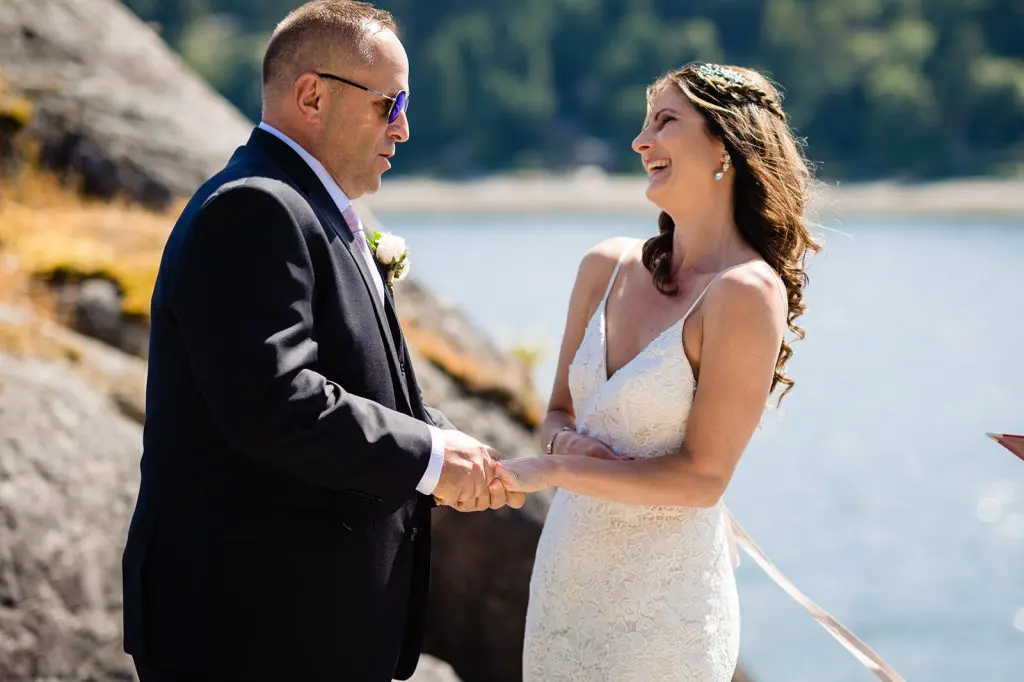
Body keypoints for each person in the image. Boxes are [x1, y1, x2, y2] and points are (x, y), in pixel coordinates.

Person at [120, 2, 523, 681]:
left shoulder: (311, 207)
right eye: (389, 104)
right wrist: (426, 456)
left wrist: (451, 443)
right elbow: (275, 403)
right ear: (312, 94)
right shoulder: (256, 208)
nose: (404, 126)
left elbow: (362, 379)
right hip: (250, 631)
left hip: (302, 626)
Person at [497, 62, 821, 680]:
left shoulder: (745, 293)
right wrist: (565, 442)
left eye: (664, 121)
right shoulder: (605, 266)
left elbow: (703, 479)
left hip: (664, 616)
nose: (640, 141)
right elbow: (557, 413)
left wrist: (554, 468)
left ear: (725, 145)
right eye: (644, 124)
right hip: (565, 586)